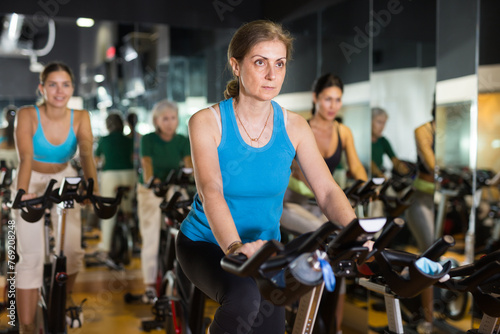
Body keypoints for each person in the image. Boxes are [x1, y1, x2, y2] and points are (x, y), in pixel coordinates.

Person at [176, 20, 359, 334]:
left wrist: (357, 234)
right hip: (206, 243)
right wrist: (234, 248)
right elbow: (211, 190)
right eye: (260, 62)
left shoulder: (294, 126)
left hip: (266, 250)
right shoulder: (207, 122)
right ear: (236, 65)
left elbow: (326, 191)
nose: (272, 75)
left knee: (270, 326)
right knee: (244, 299)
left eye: (280, 64)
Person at [13, 61, 99, 333]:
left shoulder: (81, 116)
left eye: (65, 85)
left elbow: (86, 154)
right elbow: (26, 157)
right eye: (52, 84)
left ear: (72, 88)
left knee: (72, 251)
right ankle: (26, 326)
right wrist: (23, 193)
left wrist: (91, 189)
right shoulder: (27, 114)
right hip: (31, 179)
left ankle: (64, 298)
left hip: (64, 178)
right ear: (42, 87)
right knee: (32, 257)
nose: (59, 91)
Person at [137, 99, 191, 303]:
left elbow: (188, 161)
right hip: (151, 189)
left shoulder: (182, 139)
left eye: (173, 118)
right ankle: (149, 285)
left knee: (187, 226)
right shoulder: (148, 139)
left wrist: (190, 172)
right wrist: (152, 180)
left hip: (173, 187)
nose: (170, 122)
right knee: (150, 235)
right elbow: (147, 162)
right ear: (156, 121)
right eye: (165, 119)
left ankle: (185, 277)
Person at [405, 106, 436, 334]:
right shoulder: (423, 131)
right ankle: (428, 318)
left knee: (438, 258)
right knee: (430, 255)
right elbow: (435, 166)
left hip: (443, 200)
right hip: (422, 200)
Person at [94, 112, 135, 264]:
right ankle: (132, 233)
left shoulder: (104, 140)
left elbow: (97, 160)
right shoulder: (128, 140)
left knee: (109, 211)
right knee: (128, 207)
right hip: (129, 174)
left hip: (110, 175)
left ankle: (105, 249)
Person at [371, 107, 410, 178]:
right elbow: (370, 164)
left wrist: (401, 167)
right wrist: (379, 174)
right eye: (379, 122)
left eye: (384, 123)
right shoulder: (364, 142)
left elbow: (394, 159)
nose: (382, 127)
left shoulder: (383, 141)